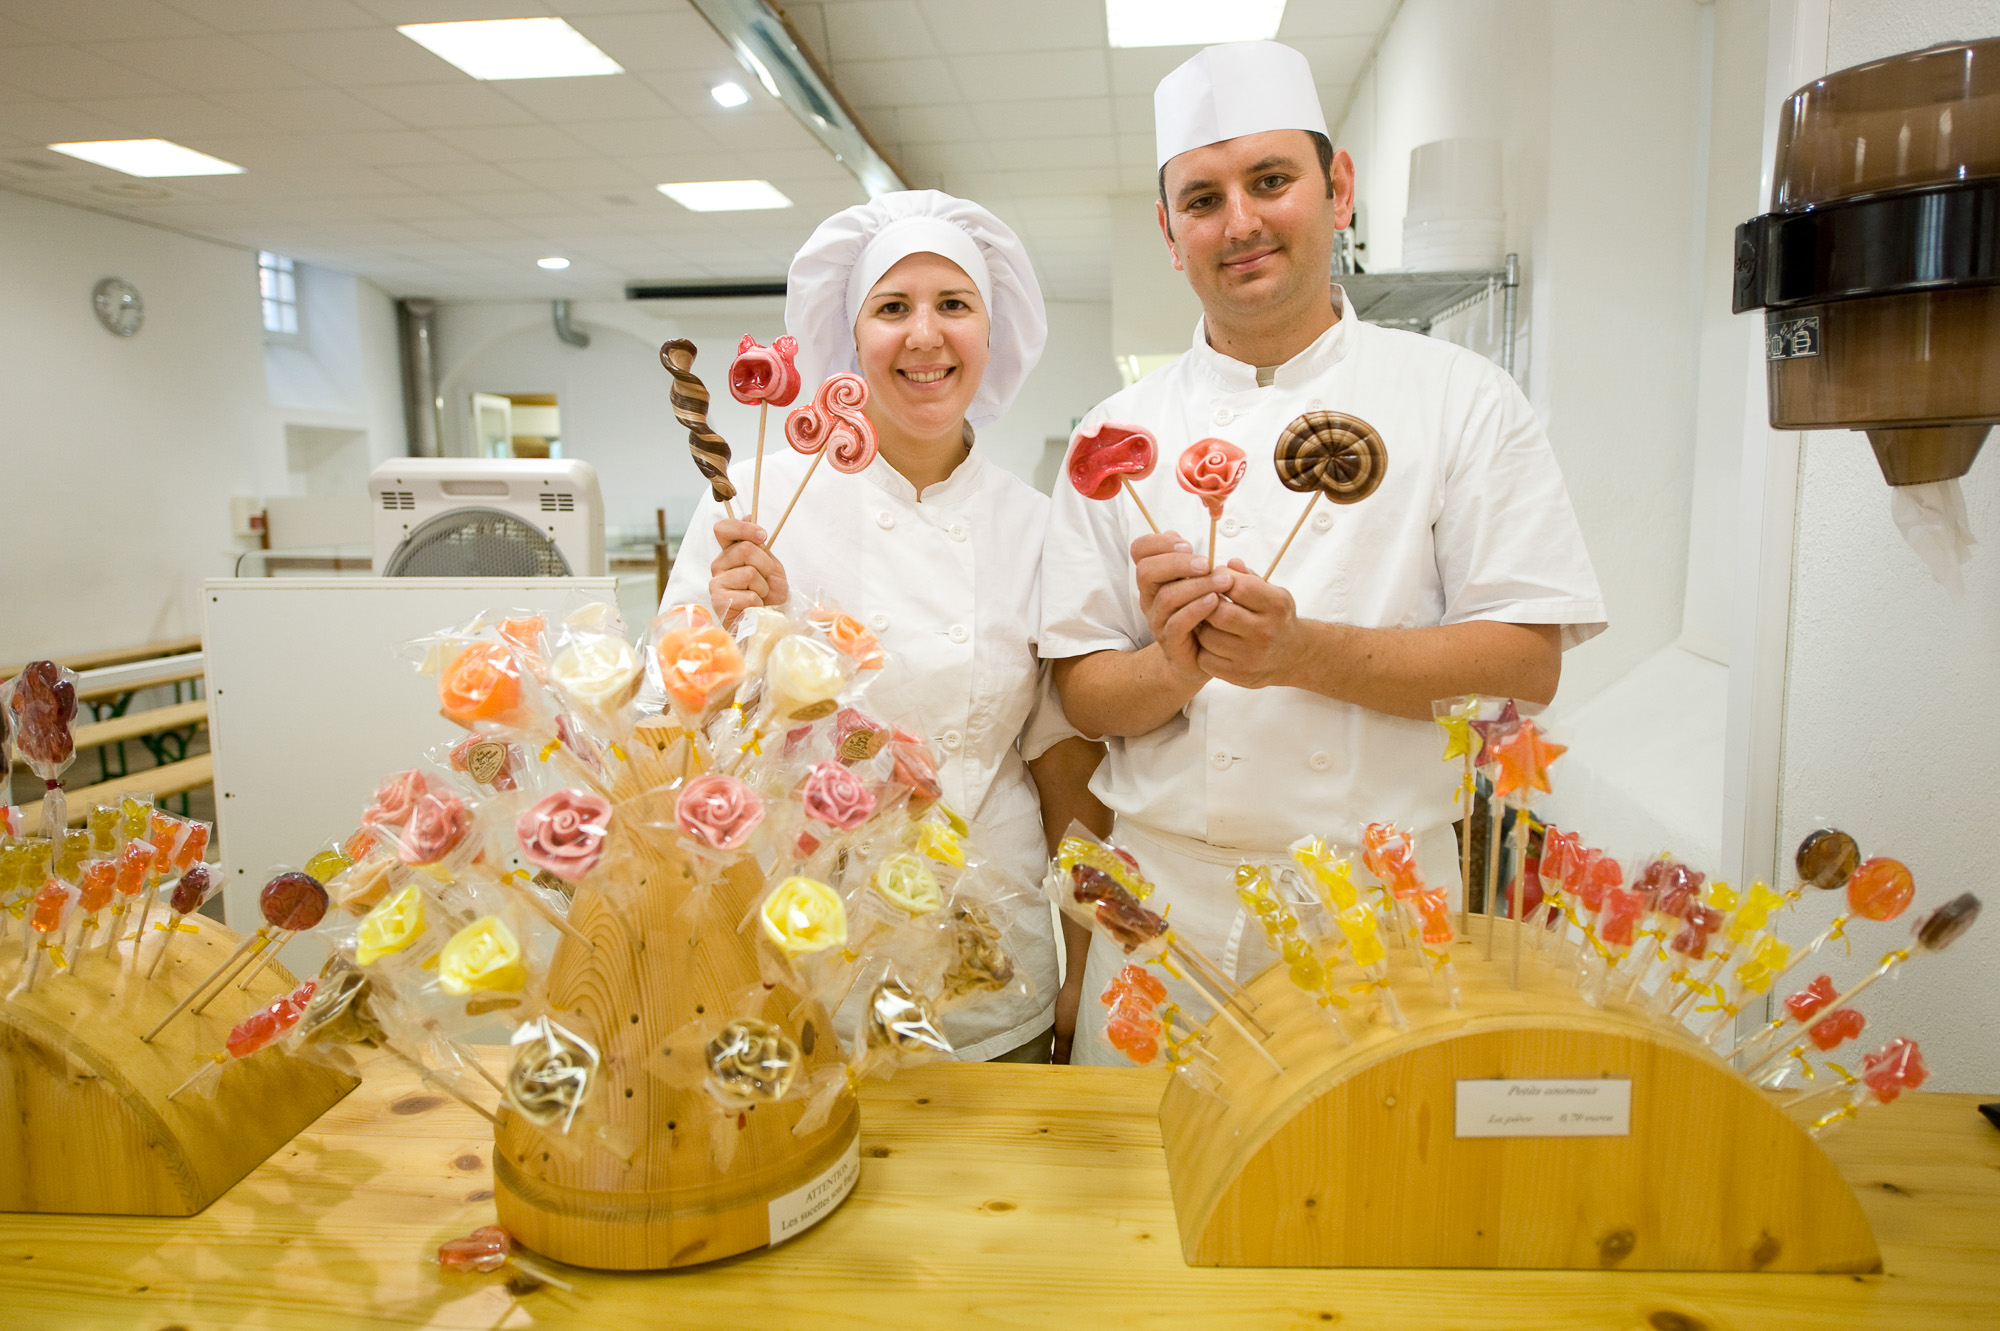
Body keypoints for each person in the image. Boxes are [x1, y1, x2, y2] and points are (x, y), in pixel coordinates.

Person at [1039, 43, 1607, 1066]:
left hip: (1377, 901)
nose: (1240, 222)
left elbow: (1527, 660)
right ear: (1169, 235)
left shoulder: (1459, 398)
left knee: (1374, 1213)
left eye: (1270, 181)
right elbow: (1080, 692)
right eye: (1202, 199)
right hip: (1159, 902)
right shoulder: (1112, 440)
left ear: (1334, 188)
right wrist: (1174, 664)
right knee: (1135, 1207)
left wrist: (1298, 652)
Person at [660, 189, 1109, 1063]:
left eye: (954, 305)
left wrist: (1082, 951)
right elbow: (665, 723)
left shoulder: (1037, 523)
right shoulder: (752, 499)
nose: (925, 335)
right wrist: (728, 627)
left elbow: (1062, 756)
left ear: (993, 328)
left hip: (990, 952)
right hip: (800, 947)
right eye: (893, 308)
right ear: (849, 335)